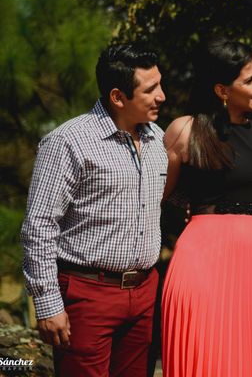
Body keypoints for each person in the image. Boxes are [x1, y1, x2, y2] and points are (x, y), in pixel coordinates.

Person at [20, 44, 168, 376]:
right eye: (151, 89)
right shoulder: (67, 142)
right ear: (118, 97)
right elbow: (39, 227)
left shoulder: (158, 139)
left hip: (145, 295)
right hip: (87, 297)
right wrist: (47, 304)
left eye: (160, 84)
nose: (162, 96)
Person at [161, 39, 252, 377]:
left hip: (251, 273)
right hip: (199, 269)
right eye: (250, 79)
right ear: (222, 89)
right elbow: (156, 199)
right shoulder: (185, 130)